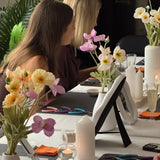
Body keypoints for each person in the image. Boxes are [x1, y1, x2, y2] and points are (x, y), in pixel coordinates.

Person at [0, 0, 75, 113]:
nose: (75, 29)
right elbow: (33, 111)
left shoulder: (28, 52)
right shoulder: (37, 61)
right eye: (72, 25)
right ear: (59, 29)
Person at [57, 0, 102, 91]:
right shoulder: (63, 51)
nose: (95, 24)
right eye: (94, 18)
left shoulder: (69, 48)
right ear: (84, 20)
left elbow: (73, 75)